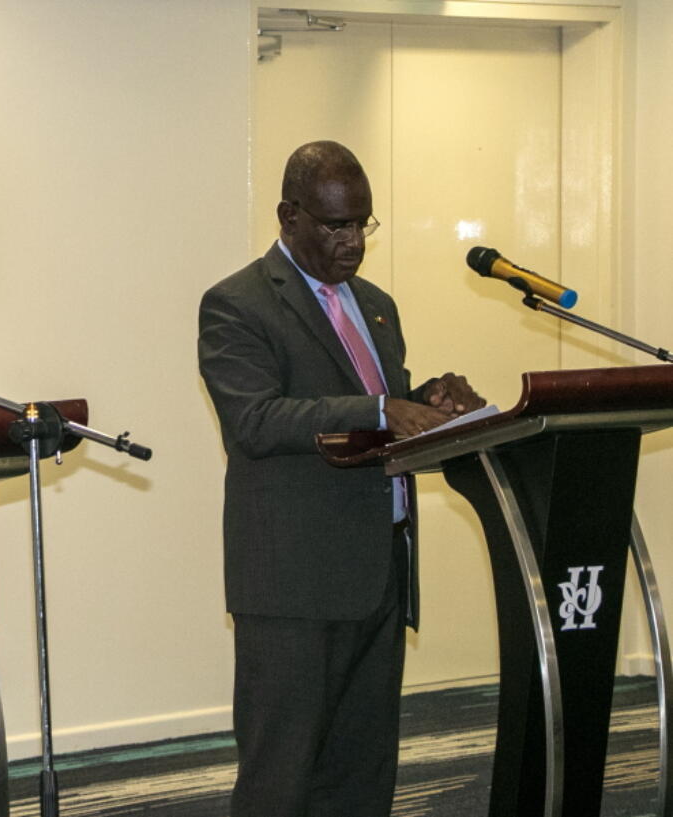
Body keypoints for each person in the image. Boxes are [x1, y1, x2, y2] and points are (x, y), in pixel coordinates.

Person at [197, 140, 484, 816]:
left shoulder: (376, 304)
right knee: (282, 774)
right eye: (336, 225)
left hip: (377, 569)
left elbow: (377, 399)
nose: (354, 240)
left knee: (362, 771)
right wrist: (383, 406)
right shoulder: (237, 304)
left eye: (363, 222)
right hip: (293, 581)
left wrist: (431, 399)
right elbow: (258, 420)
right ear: (288, 217)